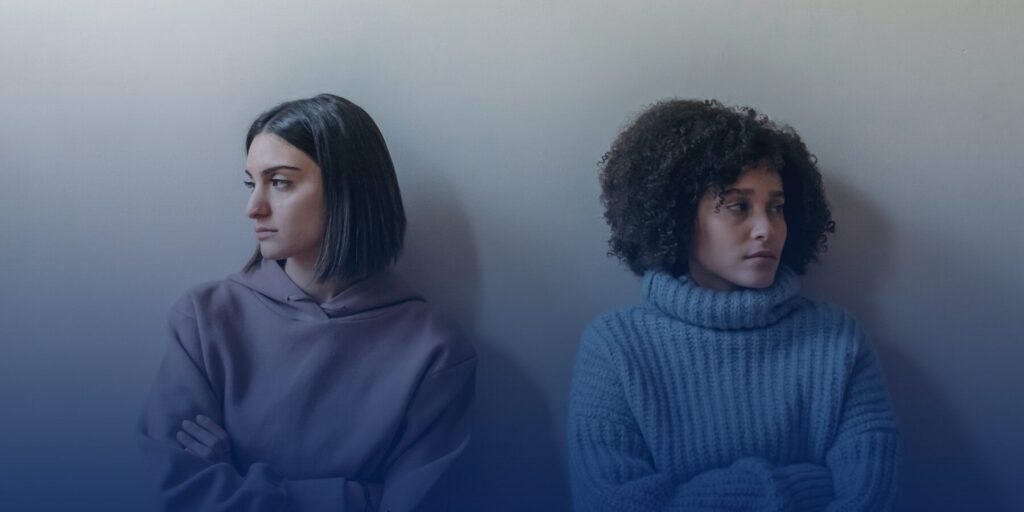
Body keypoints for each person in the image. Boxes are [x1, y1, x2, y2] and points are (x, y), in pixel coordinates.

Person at [137, 94, 476, 512]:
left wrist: (239, 483)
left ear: (348, 188)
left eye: (279, 182)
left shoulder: (434, 349)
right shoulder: (204, 320)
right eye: (251, 182)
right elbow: (174, 493)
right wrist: (357, 495)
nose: (253, 207)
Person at [568, 99, 901, 511]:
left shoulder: (837, 340)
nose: (766, 229)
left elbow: (872, 497)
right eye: (738, 206)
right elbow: (608, 503)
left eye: (776, 208)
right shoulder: (615, 348)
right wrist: (801, 488)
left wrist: (688, 497)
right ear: (677, 217)